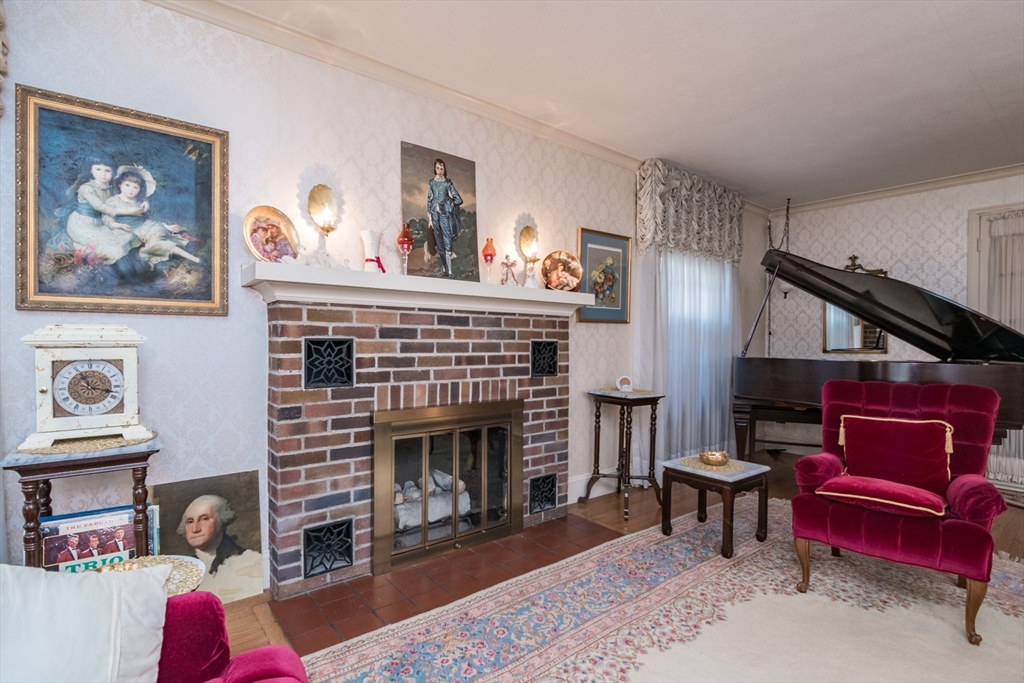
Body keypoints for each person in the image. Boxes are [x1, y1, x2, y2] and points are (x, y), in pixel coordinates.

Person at [103, 167, 201, 270]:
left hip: (145, 227)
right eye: (127, 185)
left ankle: (164, 255)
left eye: (135, 187)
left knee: (157, 232)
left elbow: (147, 220)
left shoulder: (140, 202)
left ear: (140, 189)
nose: (131, 189)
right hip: (124, 230)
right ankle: (147, 259)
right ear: (120, 184)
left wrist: (165, 226)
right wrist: (119, 225)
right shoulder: (113, 201)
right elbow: (106, 218)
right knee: (128, 245)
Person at [178, 495, 262, 603]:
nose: (195, 529)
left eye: (204, 519)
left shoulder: (249, 560)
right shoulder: (185, 568)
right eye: (190, 521)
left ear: (222, 521)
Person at [62, 154, 144, 263]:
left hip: (102, 222)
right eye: (98, 169)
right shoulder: (86, 188)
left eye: (107, 170)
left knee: (128, 238)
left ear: (113, 172)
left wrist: (145, 202)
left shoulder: (112, 188)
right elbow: (100, 206)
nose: (103, 174)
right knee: (112, 247)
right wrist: (128, 211)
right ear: (91, 170)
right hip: (83, 223)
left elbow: (127, 197)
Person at [426, 158, 463, 278]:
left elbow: (458, 199)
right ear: (435, 169)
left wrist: (448, 204)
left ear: (444, 170)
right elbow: (429, 200)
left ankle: (450, 271)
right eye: (438, 168)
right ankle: (444, 269)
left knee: (447, 241)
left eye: (442, 168)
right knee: (439, 243)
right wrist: (430, 219)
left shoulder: (448, 184)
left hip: (445, 216)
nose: (440, 171)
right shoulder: (431, 183)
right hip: (434, 215)